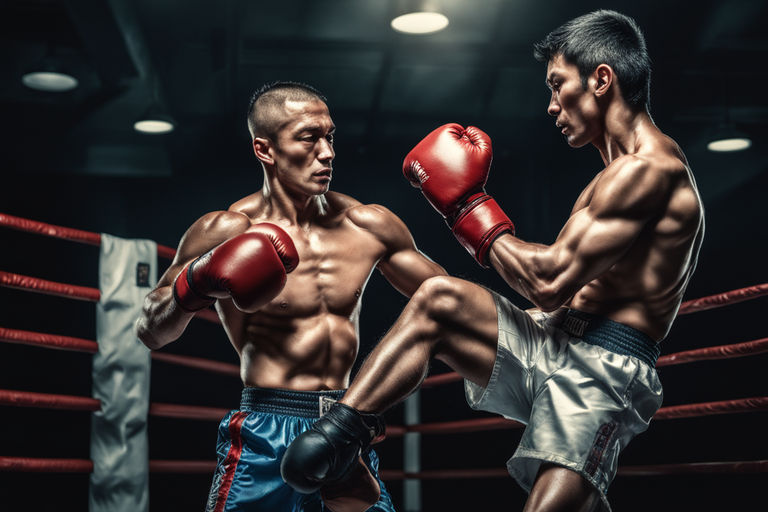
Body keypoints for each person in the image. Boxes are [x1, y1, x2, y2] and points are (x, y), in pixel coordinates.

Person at [280, 10, 705, 512]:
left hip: (603, 372)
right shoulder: (611, 174)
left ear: (602, 79)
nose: (550, 106)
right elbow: (559, 297)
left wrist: (467, 207)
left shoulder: (648, 172)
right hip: (556, 339)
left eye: (556, 85)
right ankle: (343, 434)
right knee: (439, 299)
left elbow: (548, 280)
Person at [135, 81, 446, 512]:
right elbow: (151, 331)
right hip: (266, 429)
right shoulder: (227, 230)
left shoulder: (369, 225)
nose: (328, 152)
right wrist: (196, 283)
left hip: (342, 427)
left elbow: (450, 302)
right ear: (265, 150)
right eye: (308, 137)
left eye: (330, 136)